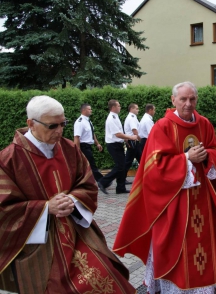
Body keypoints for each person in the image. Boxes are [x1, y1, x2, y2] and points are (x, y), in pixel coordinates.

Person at [0, 95, 136, 294]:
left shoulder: (69, 149)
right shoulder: (9, 159)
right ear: (31, 124)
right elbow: (4, 208)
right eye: (52, 126)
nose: (60, 131)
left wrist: (73, 199)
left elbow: (87, 183)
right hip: (37, 243)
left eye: (62, 124)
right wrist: (46, 208)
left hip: (76, 230)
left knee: (107, 272)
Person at [113, 82, 216, 293]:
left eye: (192, 99)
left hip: (201, 198)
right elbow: (153, 165)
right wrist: (186, 158)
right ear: (173, 100)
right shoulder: (163, 126)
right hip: (173, 199)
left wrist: (207, 157)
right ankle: (174, 287)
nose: (188, 104)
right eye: (183, 99)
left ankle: (201, 286)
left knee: (201, 241)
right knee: (173, 243)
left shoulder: (204, 124)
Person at [97, 100, 138, 195]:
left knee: (122, 166)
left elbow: (120, 132)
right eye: (118, 106)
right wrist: (131, 137)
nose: (120, 107)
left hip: (118, 144)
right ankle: (103, 182)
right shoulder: (111, 118)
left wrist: (126, 140)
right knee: (120, 166)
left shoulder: (115, 117)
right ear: (113, 107)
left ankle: (120, 187)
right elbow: (117, 134)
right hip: (113, 145)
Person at [74, 103, 104, 181]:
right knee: (91, 165)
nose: (91, 110)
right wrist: (78, 151)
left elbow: (92, 133)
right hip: (83, 146)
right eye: (89, 109)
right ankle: (102, 181)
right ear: (84, 110)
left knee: (88, 165)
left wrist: (97, 143)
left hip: (88, 146)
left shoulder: (88, 121)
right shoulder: (80, 122)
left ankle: (88, 182)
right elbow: (77, 137)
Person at [124, 103, 141, 181]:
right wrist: (139, 138)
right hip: (133, 142)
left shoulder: (132, 117)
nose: (138, 110)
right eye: (136, 108)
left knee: (141, 158)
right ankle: (121, 178)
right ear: (131, 109)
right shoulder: (132, 117)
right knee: (128, 161)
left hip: (133, 141)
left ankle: (122, 178)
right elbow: (134, 130)